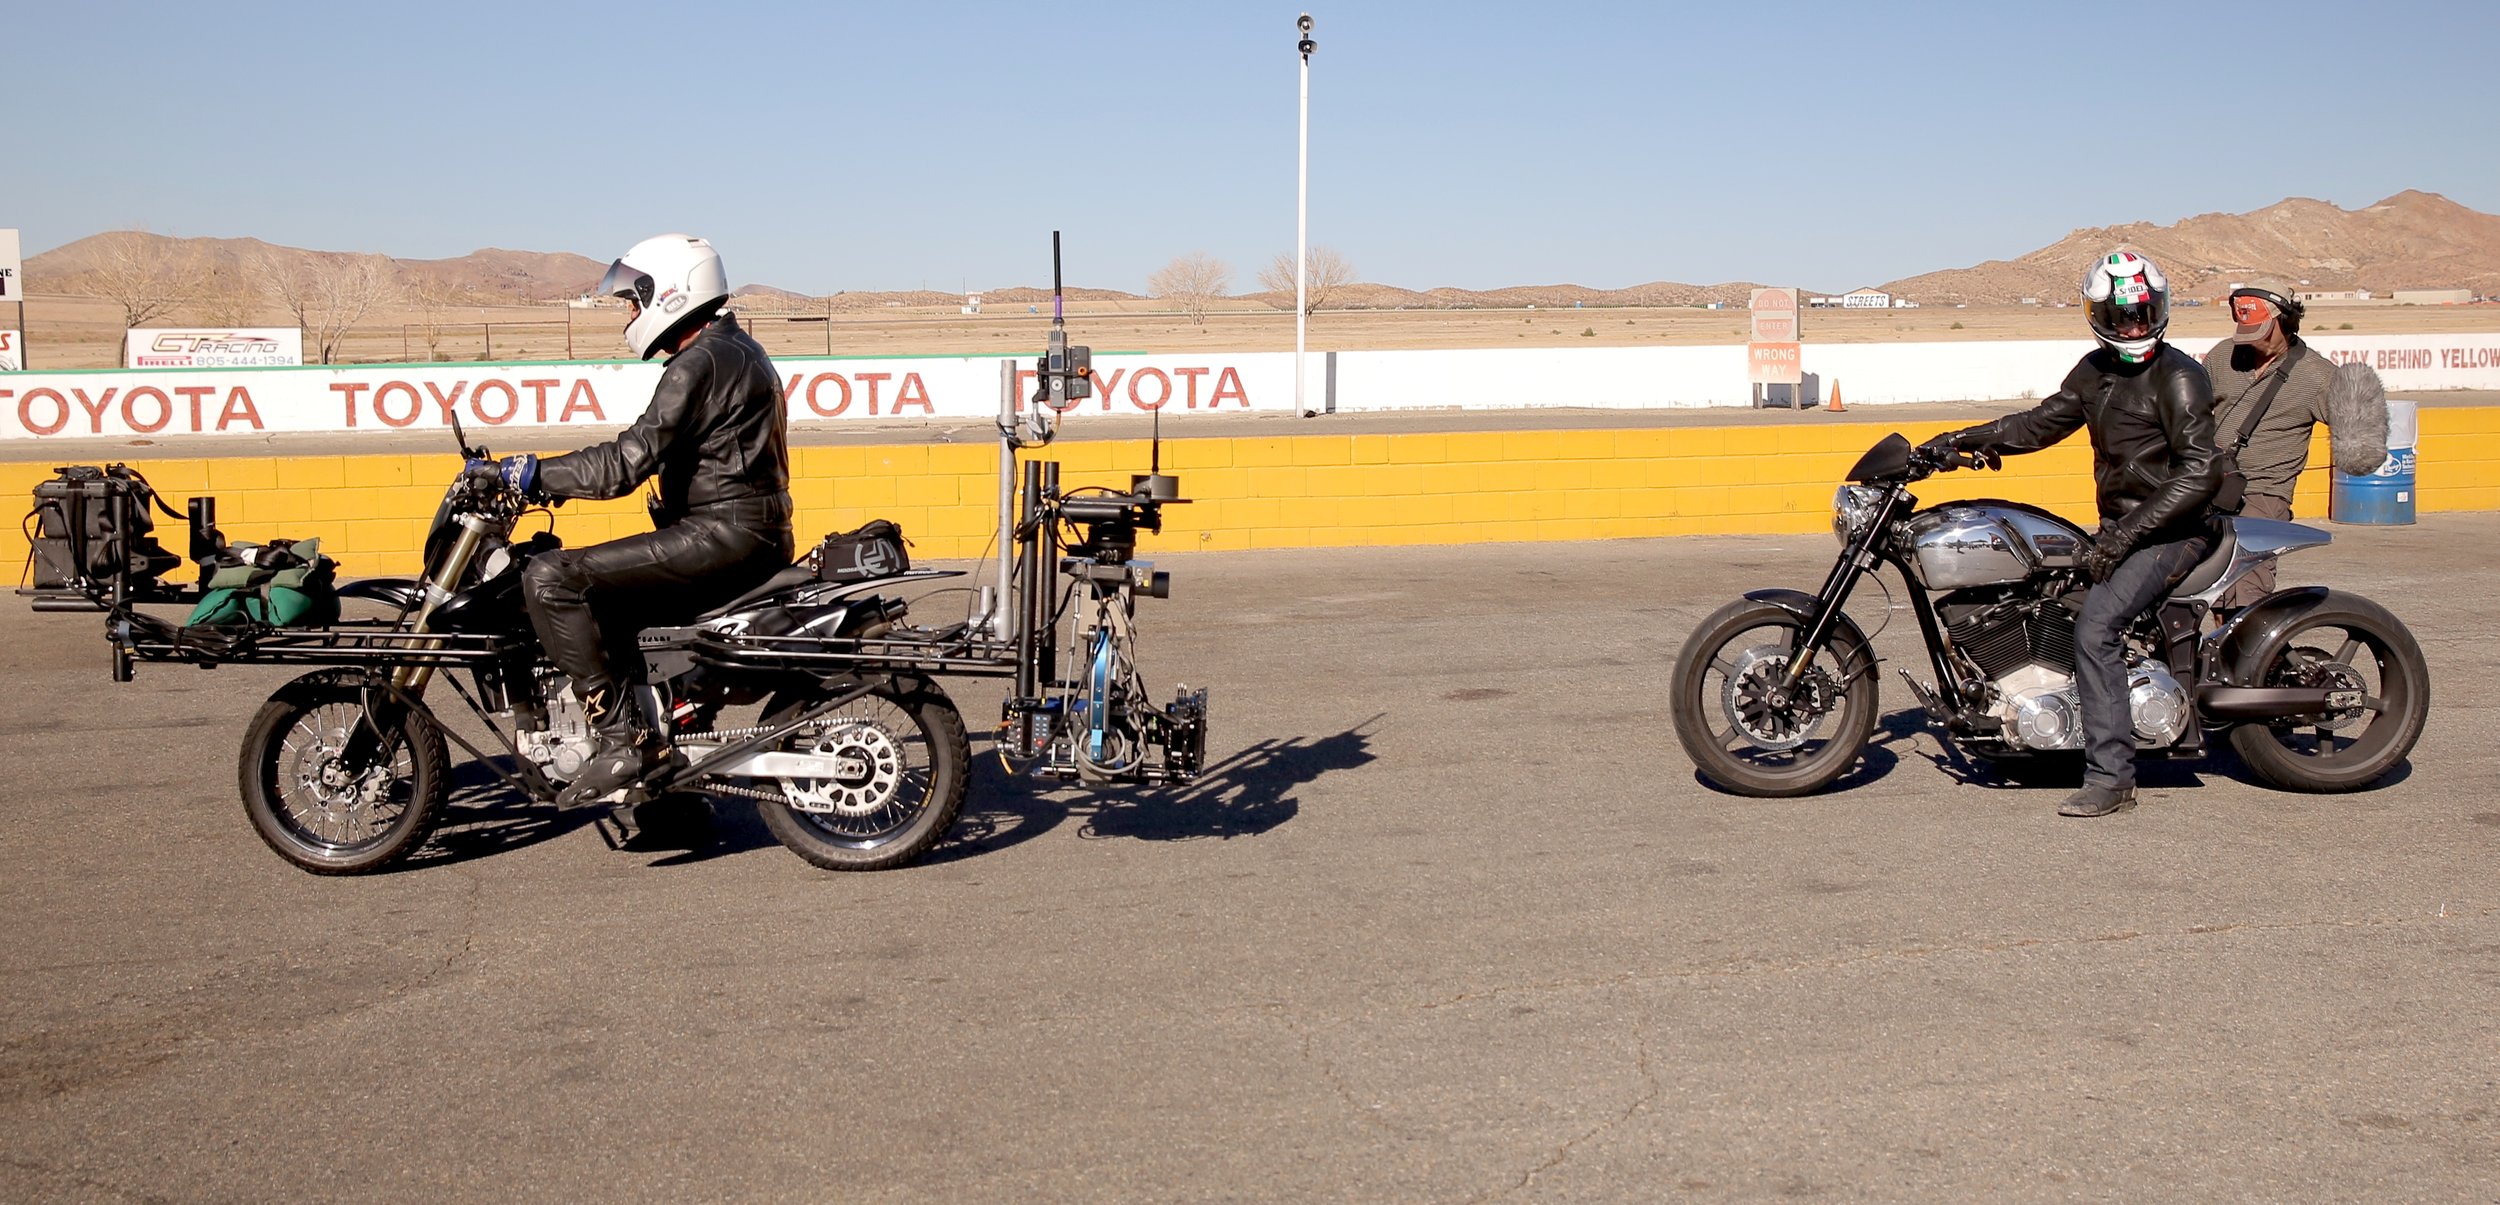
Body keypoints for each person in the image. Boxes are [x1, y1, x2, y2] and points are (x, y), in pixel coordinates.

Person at [468, 234, 795, 808]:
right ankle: (670, 786)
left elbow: (625, 462)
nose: (629, 312)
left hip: (723, 534)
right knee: (613, 609)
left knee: (550, 577)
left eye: (635, 298)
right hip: (745, 531)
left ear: (672, 291)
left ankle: (621, 739)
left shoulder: (700, 362)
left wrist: (533, 474)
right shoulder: (732, 349)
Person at [1919, 251, 2220, 818]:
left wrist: (2126, 535)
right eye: (2121, 316)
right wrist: (1961, 442)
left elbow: (2201, 472)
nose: (2133, 326)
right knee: (2050, 597)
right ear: (2098, 316)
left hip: (2173, 532)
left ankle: (2112, 778)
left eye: (2142, 313)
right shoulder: (2094, 371)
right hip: (2125, 528)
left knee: (2097, 628)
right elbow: (2039, 424)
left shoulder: (2179, 377)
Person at [2202, 277, 2385, 609]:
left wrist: (2361, 417)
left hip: (2263, 494)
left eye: (2259, 331)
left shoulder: (2316, 375)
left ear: (2285, 321)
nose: (2249, 340)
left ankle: (2251, 644)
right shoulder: (2222, 356)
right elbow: (2192, 414)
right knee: (2205, 590)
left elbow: (2361, 433)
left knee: (2246, 593)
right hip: (2210, 487)